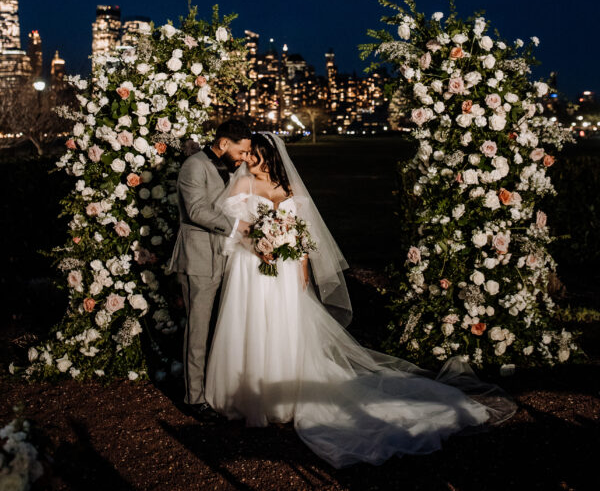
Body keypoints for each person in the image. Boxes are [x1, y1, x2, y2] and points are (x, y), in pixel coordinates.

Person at [204, 132, 516, 468]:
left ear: (272, 156)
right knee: (252, 323)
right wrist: (259, 246)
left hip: (287, 268)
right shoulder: (242, 185)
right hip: (253, 269)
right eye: (248, 155)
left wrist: (303, 266)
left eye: (256, 155)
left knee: (283, 326)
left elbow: (302, 231)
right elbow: (231, 229)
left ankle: (287, 392)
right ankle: (253, 396)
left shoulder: (290, 187)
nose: (249, 160)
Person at [167, 119, 252, 414]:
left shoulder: (232, 168)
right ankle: (195, 398)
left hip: (227, 256)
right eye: (241, 151)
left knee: (223, 326)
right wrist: (238, 226)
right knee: (199, 330)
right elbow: (196, 210)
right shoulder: (194, 165)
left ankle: (218, 388)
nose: (243, 158)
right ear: (224, 143)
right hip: (200, 256)